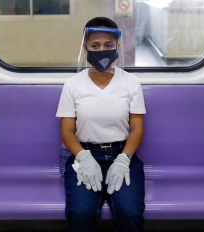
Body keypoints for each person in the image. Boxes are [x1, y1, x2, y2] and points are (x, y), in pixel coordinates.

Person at [56, 17, 146, 232]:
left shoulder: (131, 83)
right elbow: (67, 132)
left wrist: (124, 160)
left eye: (108, 45)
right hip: (84, 155)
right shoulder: (73, 85)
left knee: (130, 213)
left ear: (117, 47)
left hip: (123, 154)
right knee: (81, 213)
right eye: (95, 45)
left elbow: (137, 129)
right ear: (85, 47)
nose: (101, 50)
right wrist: (83, 158)